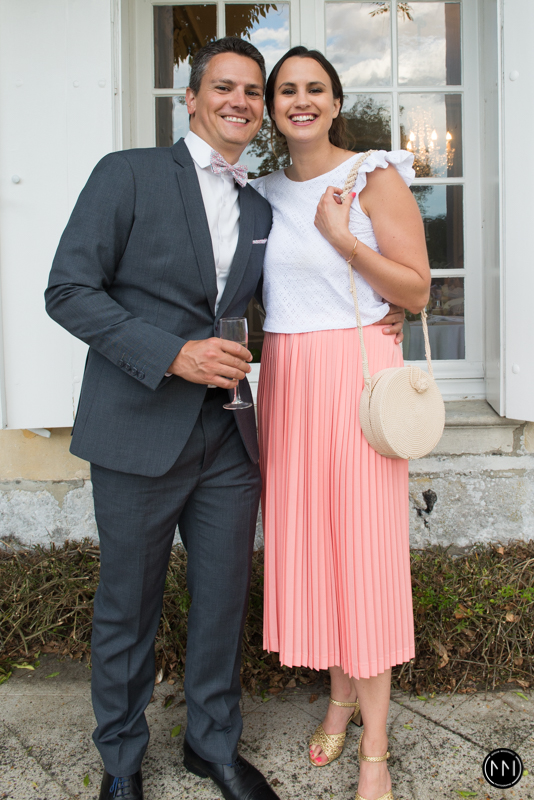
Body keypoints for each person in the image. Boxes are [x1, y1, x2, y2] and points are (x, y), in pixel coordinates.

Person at [45, 36, 281, 800]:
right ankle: (120, 759)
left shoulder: (258, 205)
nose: (239, 101)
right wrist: (173, 354)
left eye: (252, 90)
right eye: (224, 86)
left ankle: (212, 746)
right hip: (136, 429)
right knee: (127, 606)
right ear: (192, 98)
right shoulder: (128, 174)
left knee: (222, 604)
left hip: (228, 437)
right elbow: (69, 291)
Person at [251, 47, 431, 800]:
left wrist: (344, 239)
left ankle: (376, 748)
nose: (301, 100)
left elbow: (416, 291)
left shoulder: (371, 176)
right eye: (286, 90)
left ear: (334, 102)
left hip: (356, 376)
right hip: (287, 379)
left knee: (365, 555)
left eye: (315, 89)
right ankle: (339, 696)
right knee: (316, 550)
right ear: (271, 107)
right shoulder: (258, 192)